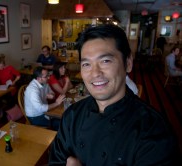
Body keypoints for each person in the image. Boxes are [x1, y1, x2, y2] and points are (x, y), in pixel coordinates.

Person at [49, 25, 179, 165]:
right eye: (86, 64)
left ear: (128, 63)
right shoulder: (72, 116)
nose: (95, 73)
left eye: (105, 61)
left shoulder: (154, 131)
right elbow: (56, 161)